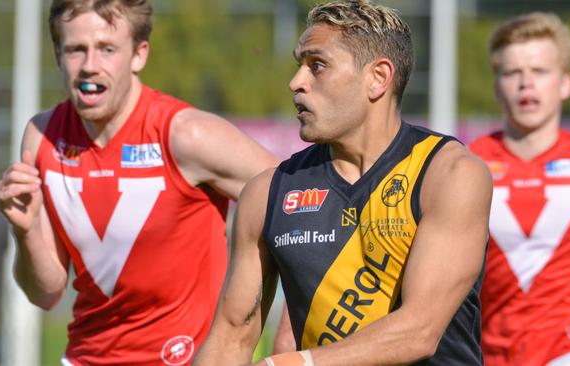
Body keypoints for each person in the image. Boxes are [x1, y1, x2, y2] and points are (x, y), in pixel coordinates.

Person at [194, 1, 492, 365]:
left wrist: (298, 363)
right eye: (299, 65)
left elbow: (419, 331)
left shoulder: (449, 174)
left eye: (317, 65)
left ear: (378, 78)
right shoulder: (267, 193)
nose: (296, 82)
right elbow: (231, 338)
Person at [0, 0, 278, 364]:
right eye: (76, 49)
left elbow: (300, 201)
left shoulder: (186, 135)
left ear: (139, 55)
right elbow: (46, 293)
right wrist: (25, 229)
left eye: (107, 49)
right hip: (84, 357)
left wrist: (282, 330)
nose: (89, 65)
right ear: (57, 55)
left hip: (185, 358)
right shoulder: (43, 136)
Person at [470, 12, 570, 366]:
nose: (526, 84)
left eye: (539, 71)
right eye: (512, 73)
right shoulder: (465, 163)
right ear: (497, 86)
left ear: (565, 83)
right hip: (491, 349)